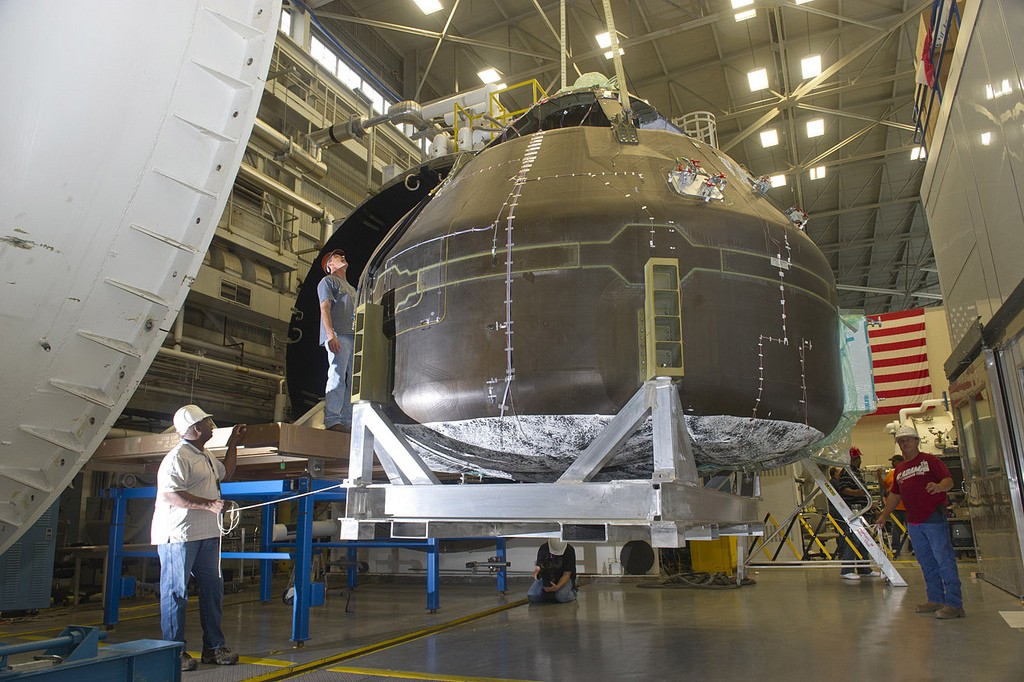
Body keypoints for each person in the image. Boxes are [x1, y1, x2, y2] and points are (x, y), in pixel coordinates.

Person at [152, 404, 246, 671]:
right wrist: (209, 505)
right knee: (176, 594)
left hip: (207, 534)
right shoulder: (177, 457)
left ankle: (213, 648)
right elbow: (171, 494)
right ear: (195, 428)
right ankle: (173, 652)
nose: (211, 425)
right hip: (179, 535)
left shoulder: (203, 456)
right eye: (206, 422)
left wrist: (233, 444)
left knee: (213, 590)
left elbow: (226, 472)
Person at [875, 425, 964, 619]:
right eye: (901, 440)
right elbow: (895, 495)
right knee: (926, 562)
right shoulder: (899, 469)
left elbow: (949, 481)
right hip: (913, 522)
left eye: (908, 439)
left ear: (916, 441)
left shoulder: (931, 461)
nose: (905, 443)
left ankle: (955, 604)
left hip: (933, 518)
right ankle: (935, 599)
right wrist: (884, 515)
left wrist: (939, 486)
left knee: (944, 560)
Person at [318, 249, 357, 432]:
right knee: (338, 376)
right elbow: (325, 309)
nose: (342, 257)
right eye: (336, 257)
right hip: (339, 335)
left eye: (342, 255)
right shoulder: (328, 281)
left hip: (352, 337)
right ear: (329, 266)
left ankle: (347, 421)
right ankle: (333, 420)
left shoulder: (352, 289)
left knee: (352, 382)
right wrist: (330, 335)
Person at [836, 447, 880, 581]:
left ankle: (864, 569)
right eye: (858, 458)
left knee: (864, 541)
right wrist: (858, 493)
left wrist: (870, 505)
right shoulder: (847, 472)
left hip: (862, 510)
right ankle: (847, 569)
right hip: (854, 511)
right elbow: (844, 489)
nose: (860, 460)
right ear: (853, 459)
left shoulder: (856, 472)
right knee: (854, 540)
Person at [528, 539, 577, 604]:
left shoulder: (569, 550)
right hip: (546, 577)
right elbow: (538, 568)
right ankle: (551, 596)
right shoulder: (543, 548)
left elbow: (567, 574)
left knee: (561, 597)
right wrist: (537, 575)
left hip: (564, 578)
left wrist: (557, 587)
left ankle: (572, 593)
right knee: (532, 597)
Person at [881, 454, 910, 558]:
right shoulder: (891, 474)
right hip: (895, 507)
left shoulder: (907, 472)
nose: (892, 463)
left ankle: (913, 547)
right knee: (895, 529)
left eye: (893, 461)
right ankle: (895, 547)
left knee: (911, 528)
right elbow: (884, 487)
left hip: (907, 507)